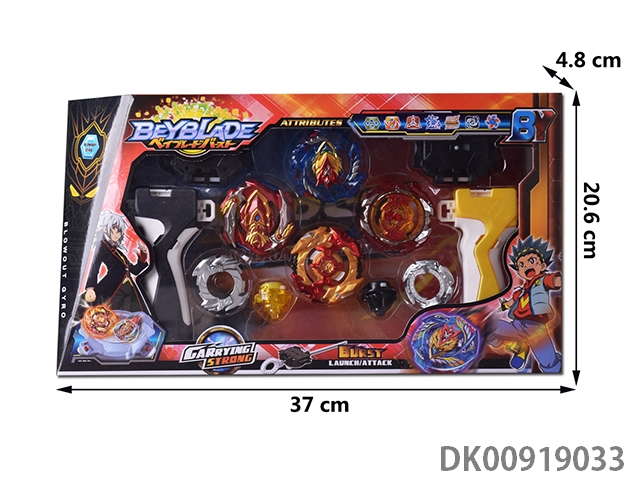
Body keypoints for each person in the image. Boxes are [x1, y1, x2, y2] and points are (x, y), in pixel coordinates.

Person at [489, 236, 562, 373]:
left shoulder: (542, 280)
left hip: (536, 329)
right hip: (516, 325)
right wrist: (505, 305)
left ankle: (549, 360)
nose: (526, 266)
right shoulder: (520, 291)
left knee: (550, 366)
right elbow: (511, 302)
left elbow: (555, 281)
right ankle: (517, 346)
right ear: (518, 271)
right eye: (521, 265)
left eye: (531, 261)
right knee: (487, 326)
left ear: (542, 266)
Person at [83, 210, 149, 313]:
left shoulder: (117, 251)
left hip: (127, 288)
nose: (117, 234)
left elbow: (133, 270)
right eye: (114, 229)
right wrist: (90, 288)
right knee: (109, 315)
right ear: (106, 229)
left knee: (135, 316)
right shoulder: (102, 246)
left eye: (119, 231)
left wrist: (142, 258)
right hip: (113, 288)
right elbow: (94, 267)